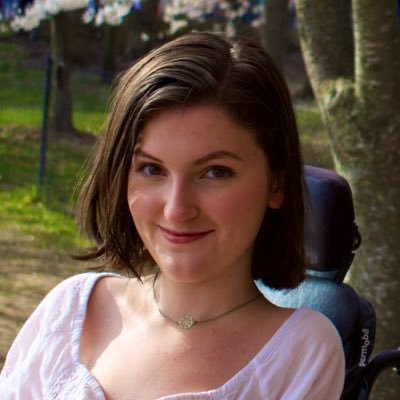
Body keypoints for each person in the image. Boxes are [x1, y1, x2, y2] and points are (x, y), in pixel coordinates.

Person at [0, 31, 345, 399]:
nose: (177, 209)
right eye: (152, 169)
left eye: (215, 172)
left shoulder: (302, 351)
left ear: (276, 185)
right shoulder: (68, 311)